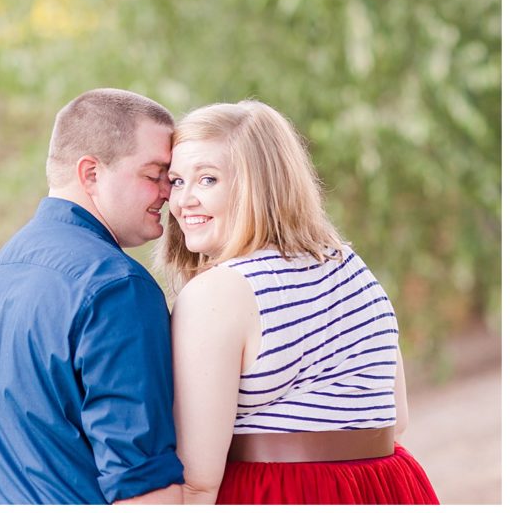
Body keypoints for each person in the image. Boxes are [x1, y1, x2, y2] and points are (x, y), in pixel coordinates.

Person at [158, 100, 439, 505]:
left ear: (260, 186)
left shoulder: (217, 292)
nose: (183, 201)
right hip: (388, 486)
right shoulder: (350, 265)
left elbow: (198, 480)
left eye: (207, 180)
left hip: (280, 492)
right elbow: (397, 417)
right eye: (177, 181)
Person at [0, 88, 185, 504]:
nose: (169, 192)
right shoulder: (118, 288)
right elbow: (143, 484)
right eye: (154, 175)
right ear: (91, 174)